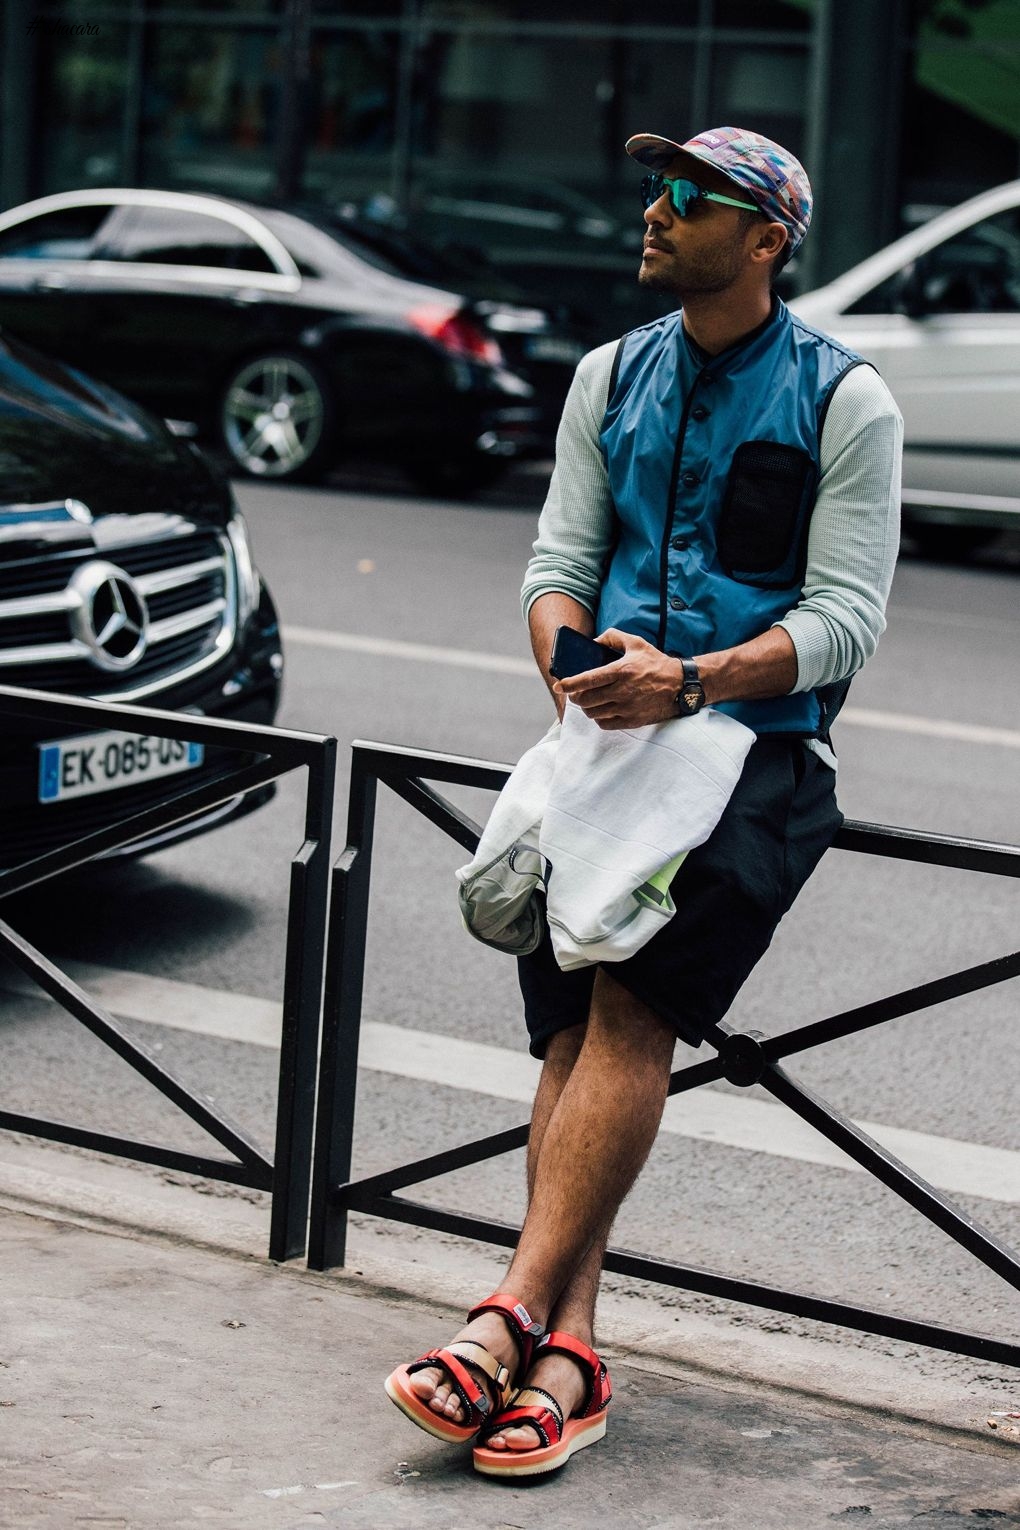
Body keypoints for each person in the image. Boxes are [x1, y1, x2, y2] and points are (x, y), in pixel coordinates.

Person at [385, 124, 902, 1478]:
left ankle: (502, 1317)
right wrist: (571, 672)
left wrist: (696, 681)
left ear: (768, 238)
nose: (657, 213)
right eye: (655, 191)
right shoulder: (610, 373)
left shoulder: (848, 402)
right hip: (605, 746)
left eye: (691, 198)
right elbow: (557, 561)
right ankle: (572, 1352)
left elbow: (847, 620)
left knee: (627, 1012)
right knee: (568, 1042)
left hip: (760, 758)